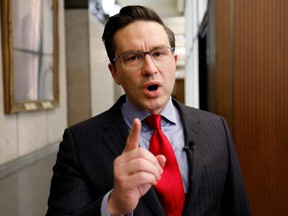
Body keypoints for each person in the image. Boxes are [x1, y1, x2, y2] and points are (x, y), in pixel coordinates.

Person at [46, 5, 250, 216]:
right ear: (115, 72)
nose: (150, 68)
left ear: (174, 61)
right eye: (134, 57)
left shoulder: (216, 128)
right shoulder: (80, 143)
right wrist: (113, 205)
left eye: (159, 53)